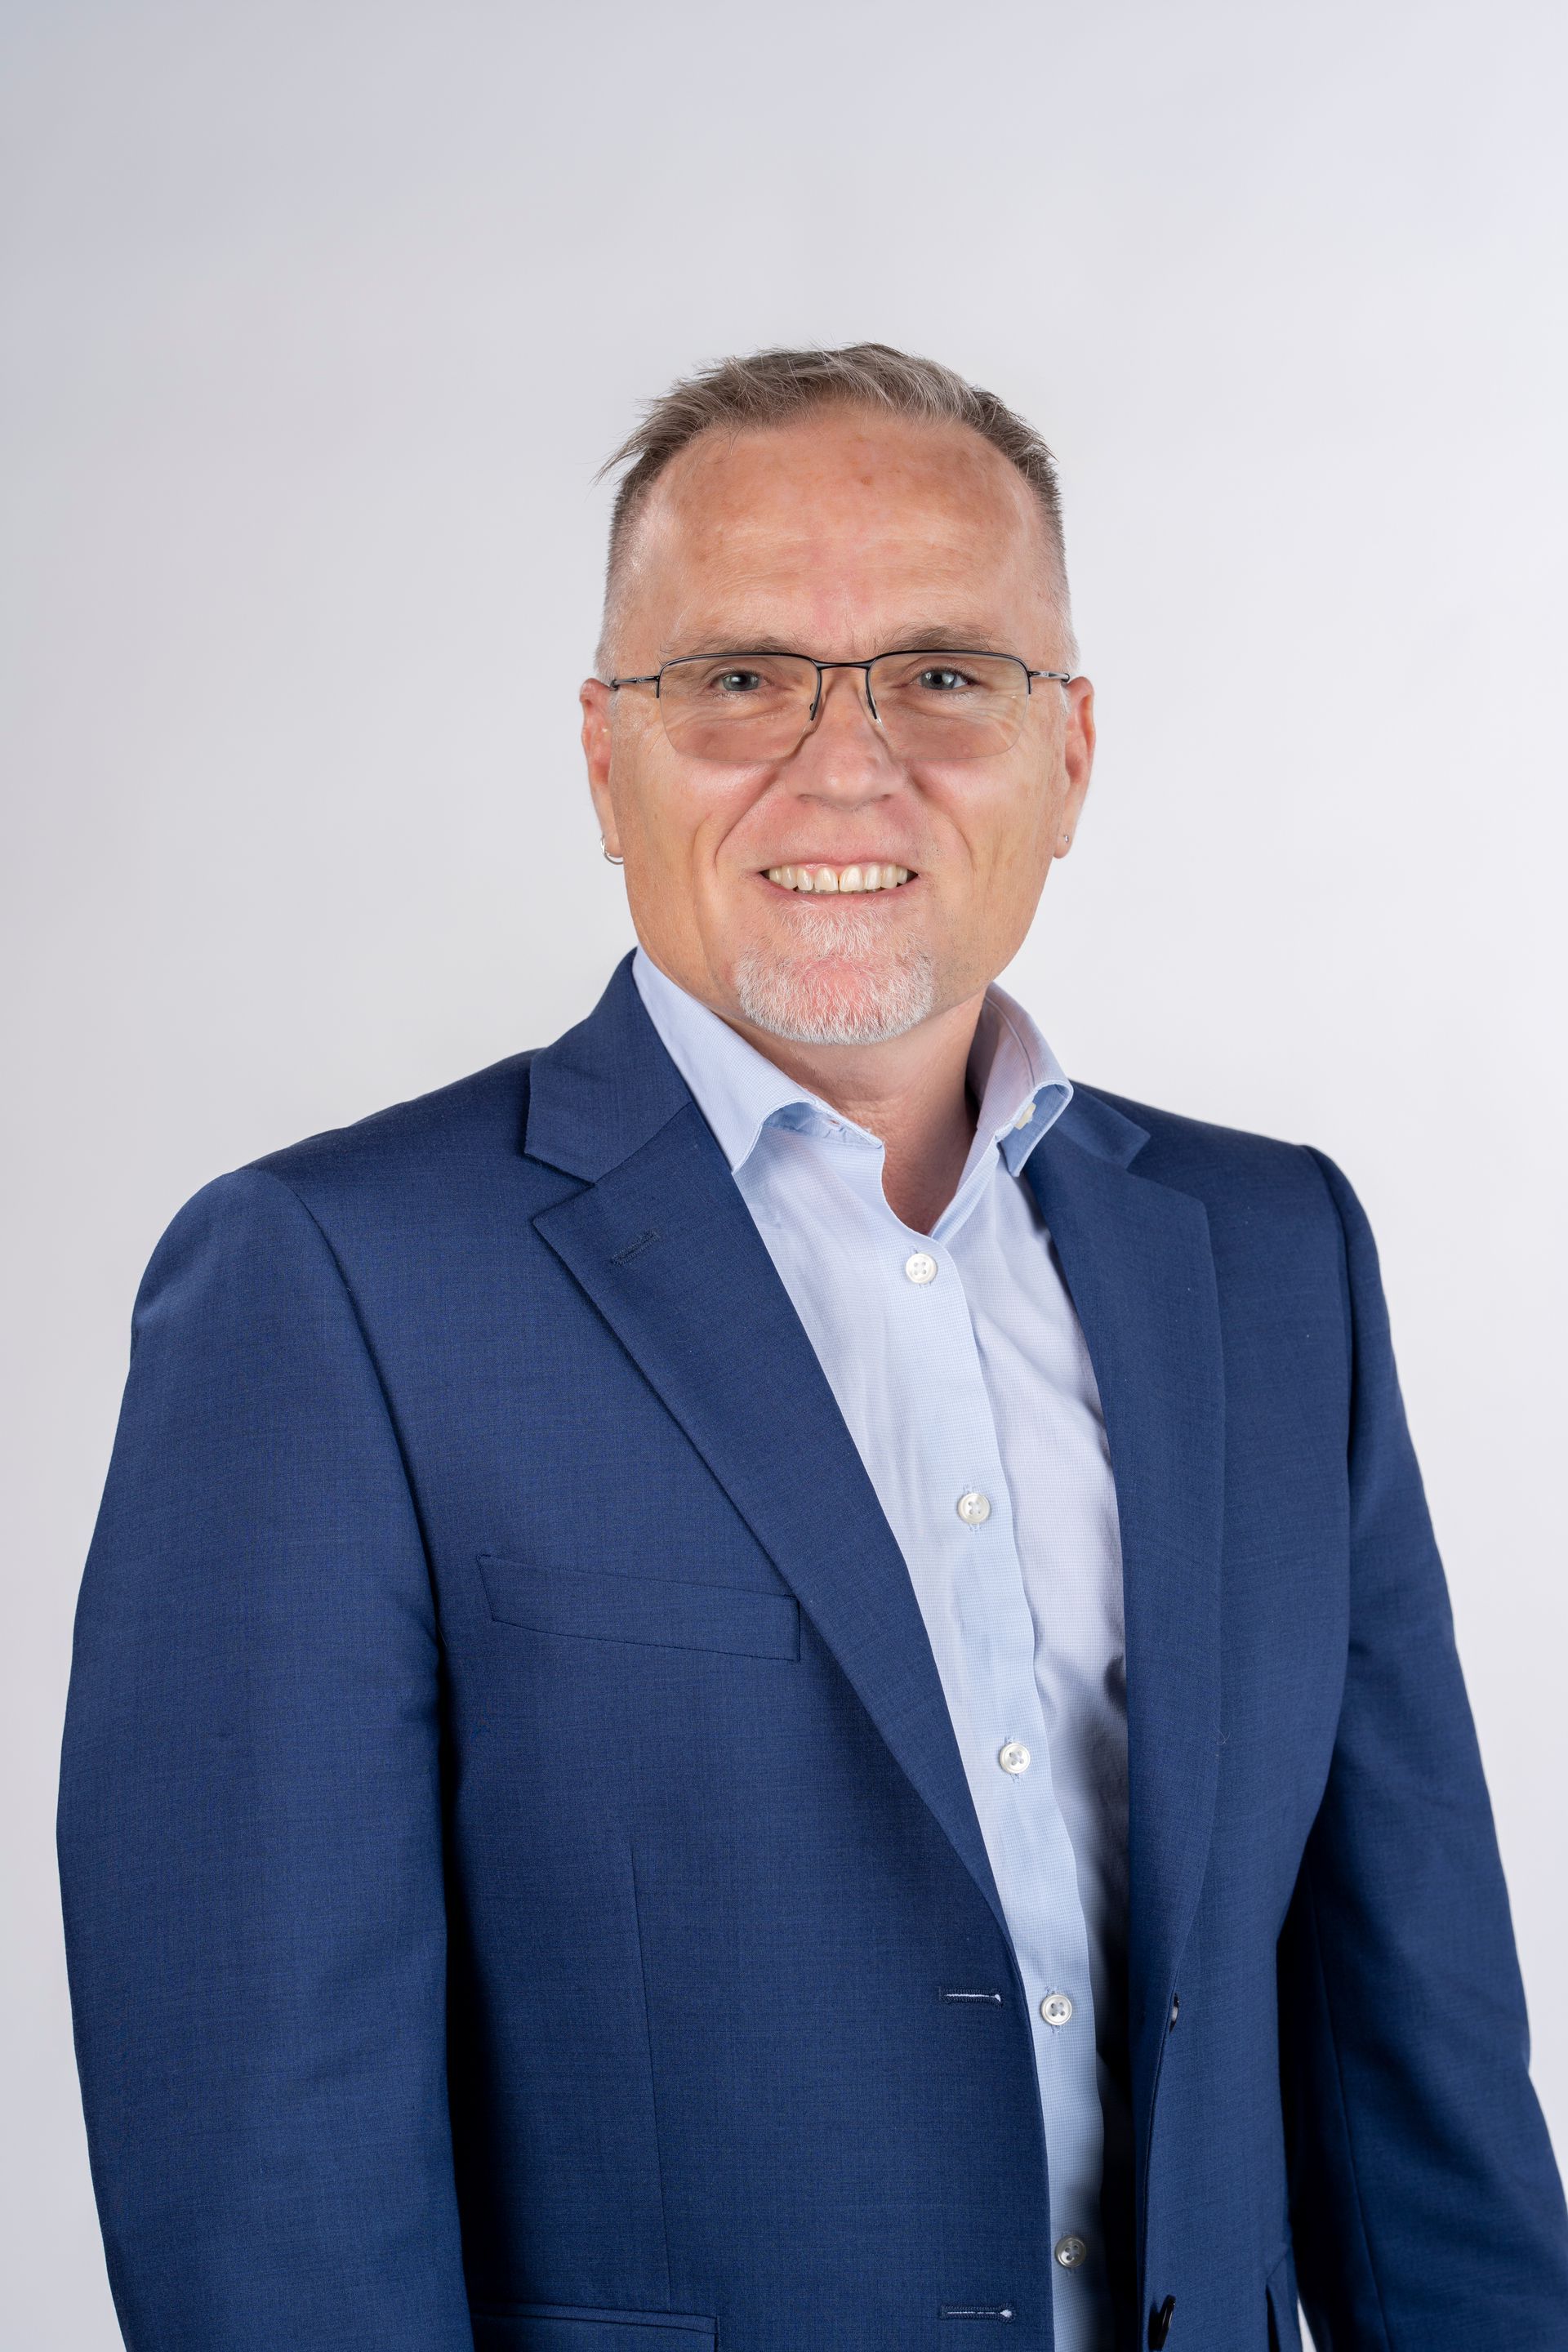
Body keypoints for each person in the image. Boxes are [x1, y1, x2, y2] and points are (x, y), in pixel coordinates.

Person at [58, 343, 1567, 2352]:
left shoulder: (1273, 1258)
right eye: (738, 677)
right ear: (606, 760)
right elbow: (269, 2192)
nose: (844, 763)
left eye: (946, 674)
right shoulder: (328, 1287)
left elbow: (1422, 2088)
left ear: (1073, 754)